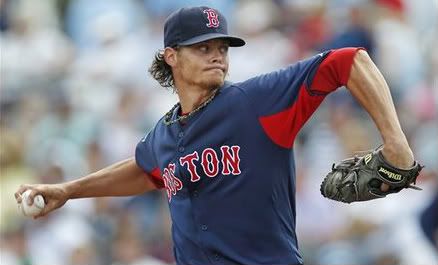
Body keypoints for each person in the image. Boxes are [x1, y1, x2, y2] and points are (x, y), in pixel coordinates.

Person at [15, 6, 417, 265]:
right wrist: (68, 190)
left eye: (222, 47)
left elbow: (348, 61)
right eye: (202, 47)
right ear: (171, 56)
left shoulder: (255, 101)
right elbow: (145, 170)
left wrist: (396, 143)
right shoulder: (164, 134)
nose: (217, 55)